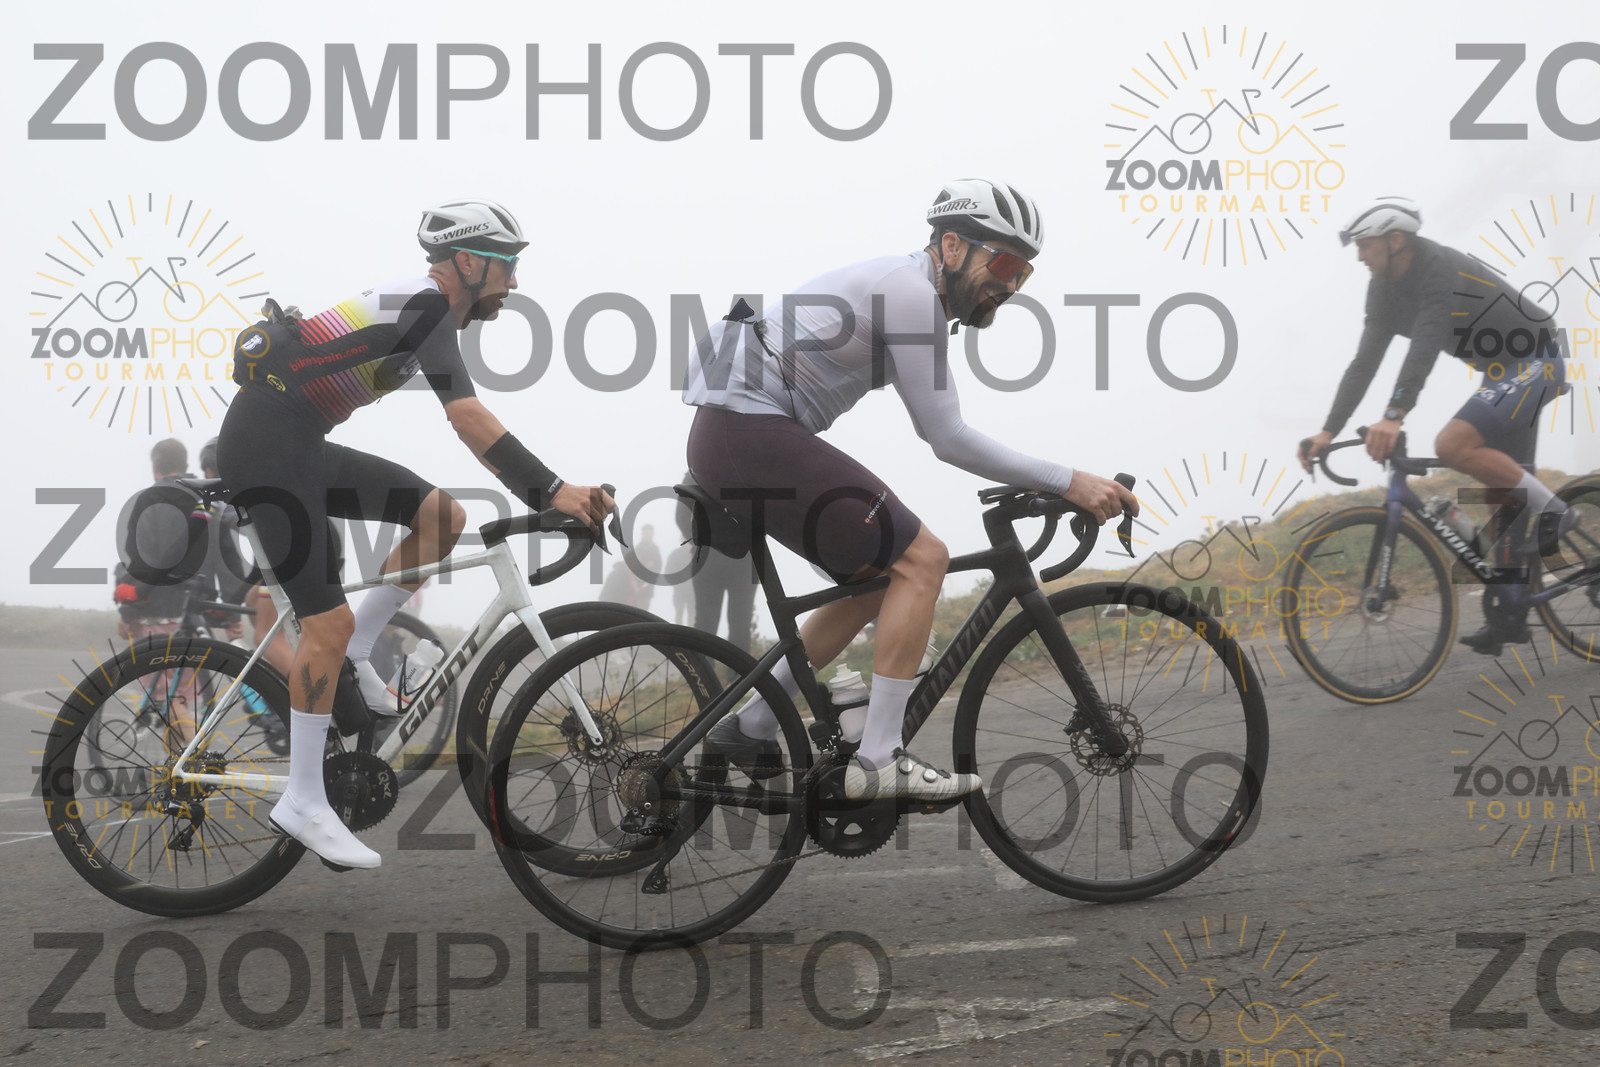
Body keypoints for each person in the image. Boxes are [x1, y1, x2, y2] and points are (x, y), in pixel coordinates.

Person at [683, 179, 1136, 801]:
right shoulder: (909, 292)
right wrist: (1071, 481)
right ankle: (877, 760)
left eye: (1024, 274)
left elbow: (937, 427)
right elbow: (948, 437)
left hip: (736, 435)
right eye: (1004, 264)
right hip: (745, 430)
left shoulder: (907, 295)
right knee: (923, 559)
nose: (1011, 285)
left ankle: (753, 725)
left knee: (876, 578)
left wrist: (1055, 481)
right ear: (951, 246)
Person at [218, 198, 615, 869]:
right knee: (324, 625)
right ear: (467, 261)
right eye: (506, 264)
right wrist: (553, 490)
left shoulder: (427, 312)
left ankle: (358, 654)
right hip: (268, 451)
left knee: (441, 517)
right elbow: (466, 417)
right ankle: (305, 798)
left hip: (297, 445)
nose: (515, 281)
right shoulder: (426, 305)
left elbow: (461, 418)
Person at [1298, 196, 1569, 656]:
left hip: (1536, 358)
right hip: (1500, 373)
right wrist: (1328, 430)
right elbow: (1364, 363)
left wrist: (1394, 414)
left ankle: (1558, 513)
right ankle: (1512, 611)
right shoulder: (1383, 289)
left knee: (1451, 446)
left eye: (1365, 245)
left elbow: (1425, 343)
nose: (1360, 256)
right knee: (1502, 498)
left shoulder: (1438, 268)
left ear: (1395, 240)